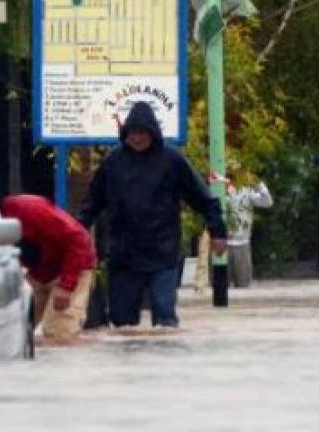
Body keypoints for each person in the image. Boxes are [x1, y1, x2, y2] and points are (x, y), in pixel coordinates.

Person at [77, 101, 227, 328]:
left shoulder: (172, 161)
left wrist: (218, 231)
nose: (137, 138)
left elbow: (202, 197)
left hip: (162, 253)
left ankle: (166, 360)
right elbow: (92, 203)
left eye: (142, 133)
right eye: (132, 133)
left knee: (165, 319)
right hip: (123, 255)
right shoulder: (113, 162)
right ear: (125, 133)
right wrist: (76, 232)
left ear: (152, 133)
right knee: (122, 322)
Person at [0, 194, 97, 344]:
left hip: (71, 268)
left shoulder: (30, 210)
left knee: (60, 336)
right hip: (37, 272)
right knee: (11, 335)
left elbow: (77, 238)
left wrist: (66, 286)